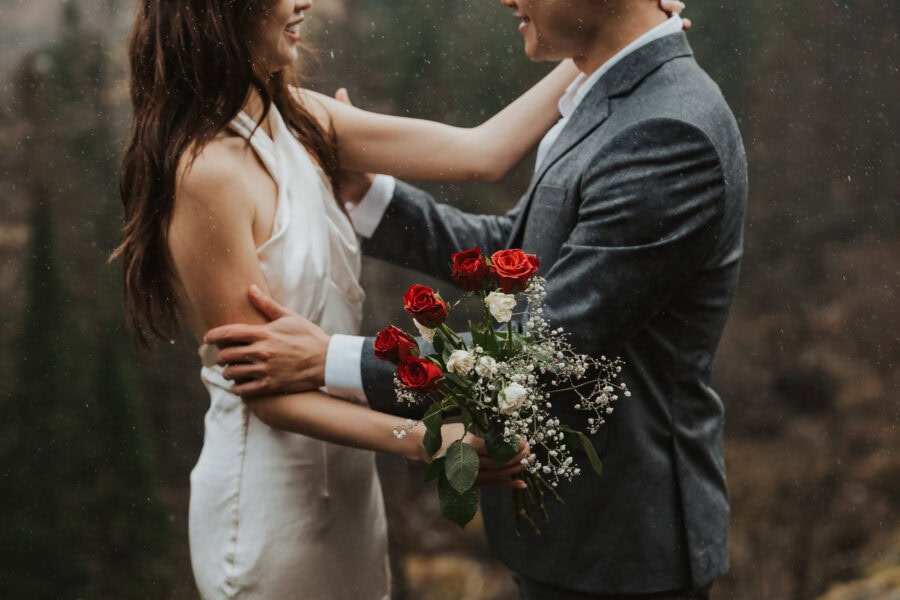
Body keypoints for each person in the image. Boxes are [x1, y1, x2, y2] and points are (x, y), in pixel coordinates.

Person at [205, 0, 744, 598]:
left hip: (622, 542)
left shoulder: (667, 131)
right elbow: (522, 257)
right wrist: (371, 197)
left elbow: (544, 346)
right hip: (579, 536)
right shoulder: (619, 98)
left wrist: (328, 360)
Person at [112, 0, 618, 597]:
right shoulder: (206, 173)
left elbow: (483, 153)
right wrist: (433, 441)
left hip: (351, 488)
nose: (303, 2)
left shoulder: (297, 119)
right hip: (271, 502)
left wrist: (608, 39)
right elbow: (267, 394)